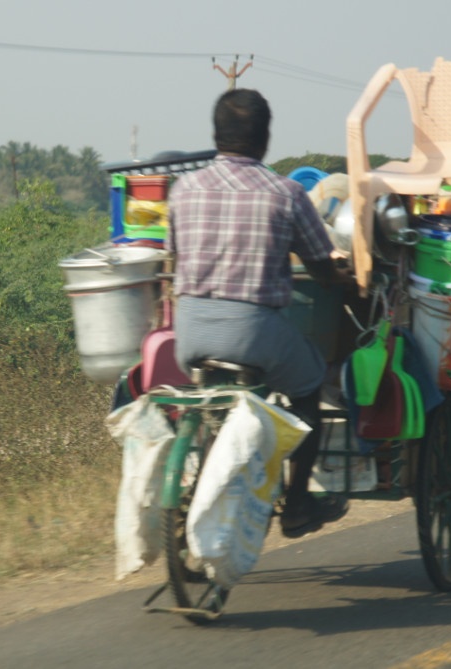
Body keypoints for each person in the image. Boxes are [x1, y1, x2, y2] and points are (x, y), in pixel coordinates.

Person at [166, 88, 354, 538]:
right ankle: (298, 502)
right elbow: (321, 266)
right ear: (265, 138)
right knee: (308, 386)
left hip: (188, 334)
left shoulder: (183, 189)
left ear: (216, 134)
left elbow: (175, 259)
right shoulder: (286, 194)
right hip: (252, 333)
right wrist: (343, 277)